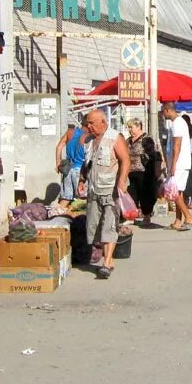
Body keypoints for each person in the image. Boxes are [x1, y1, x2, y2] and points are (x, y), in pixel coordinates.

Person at [82, 108, 130, 279]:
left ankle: (107, 262)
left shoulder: (115, 137)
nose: (89, 127)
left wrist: (122, 180)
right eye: (87, 123)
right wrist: (82, 180)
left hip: (111, 190)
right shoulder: (89, 140)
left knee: (109, 225)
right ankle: (109, 260)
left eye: (91, 123)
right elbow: (87, 164)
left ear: (103, 122)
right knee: (95, 227)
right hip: (94, 190)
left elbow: (125, 160)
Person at [161, 102, 192, 230]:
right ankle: (177, 221)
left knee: (174, 193)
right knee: (178, 194)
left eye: (162, 112)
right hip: (178, 163)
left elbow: (177, 145)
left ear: (167, 110)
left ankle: (188, 217)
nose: (162, 115)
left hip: (179, 164)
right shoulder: (176, 123)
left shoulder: (178, 124)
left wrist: (173, 164)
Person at [126, 118, 160, 226]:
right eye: (129, 127)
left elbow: (153, 155)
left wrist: (157, 170)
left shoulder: (146, 139)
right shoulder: (128, 140)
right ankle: (132, 217)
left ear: (138, 126)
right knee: (132, 195)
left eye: (131, 127)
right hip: (131, 171)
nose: (129, 130)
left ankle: (147, 216)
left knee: (145, 195)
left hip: (144, 172)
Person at [58, 118, 87, 208]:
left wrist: (58, 162)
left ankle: (55, 216)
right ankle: (82, 220)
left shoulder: (70, 132)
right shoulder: (87, 136)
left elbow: (59, 147)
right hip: (80, 170)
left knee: (66, 197)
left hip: (68, 169)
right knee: (83, 198)